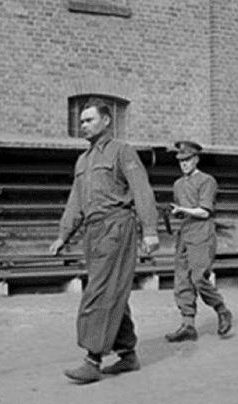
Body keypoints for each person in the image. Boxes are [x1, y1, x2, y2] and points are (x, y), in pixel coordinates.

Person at [50, 97, 160, 384]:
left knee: (99, 291)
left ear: (107, 120)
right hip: (93, 231)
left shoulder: (122, 151)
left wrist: (150, 230)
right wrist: (63, 234)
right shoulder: (83, 160)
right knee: (113, 289)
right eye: (81, 121)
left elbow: (142, 190)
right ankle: (128, 354)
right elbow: (75, 201)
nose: (83, 125)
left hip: (117, 227)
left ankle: (92, 360)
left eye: (89, 120)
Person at [165, 141, 233, 342]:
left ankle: (222, 310)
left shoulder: (207, 181)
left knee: (198, 278)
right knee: (182, 280)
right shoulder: (178, 184)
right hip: (185, 235)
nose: (184, 164)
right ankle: (188, 325)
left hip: (202, 235)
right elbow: (185, 210)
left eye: (187, 160)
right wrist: (176, 212)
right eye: (181, 161)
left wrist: (182, 209)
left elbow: (204, 212)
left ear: (196, 159)